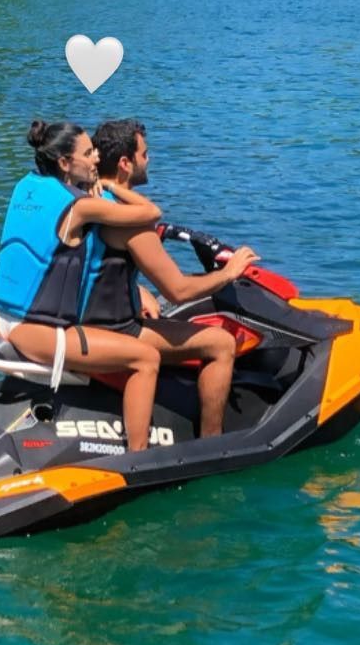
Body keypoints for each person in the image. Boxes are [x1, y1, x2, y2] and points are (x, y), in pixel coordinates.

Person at [0, 119, 170, 448]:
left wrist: (138, 289)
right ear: (64, 163)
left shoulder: (26, 188)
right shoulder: (83, 207)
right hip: (34, 331)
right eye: (89, 153)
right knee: (146, 359)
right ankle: (138, 458)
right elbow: (150, 213)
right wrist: (112, 187)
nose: (97, 158)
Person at [87, 117, 257, 440]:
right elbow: (178, 290)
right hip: (116, 328)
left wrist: (137, 290)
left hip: (88, 319)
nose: (148, 160)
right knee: (221, 343)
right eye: (144, 154)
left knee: (161, 311)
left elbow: (98, 261)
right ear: (125, 164)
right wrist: (229, 272)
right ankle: (211, 444)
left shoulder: (93, 200)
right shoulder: (131, 219)